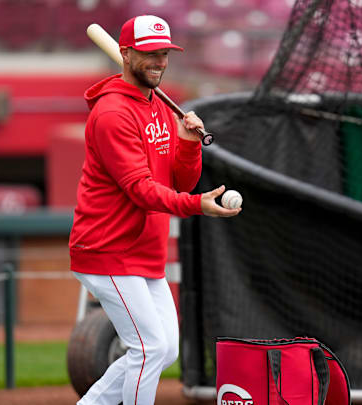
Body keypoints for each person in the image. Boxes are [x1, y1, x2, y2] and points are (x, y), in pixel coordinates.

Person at [69, 15, 240, 405]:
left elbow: (180, 182)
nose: (158, 61)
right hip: (107, 250)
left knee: (165, 350)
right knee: (147, 349)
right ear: (126, 54)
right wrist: (199, 207)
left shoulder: (159, 105)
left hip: (144, 252)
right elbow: (143, 192)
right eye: (148, 54)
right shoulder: (112, 114)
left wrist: (188, 143)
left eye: (163, 53)